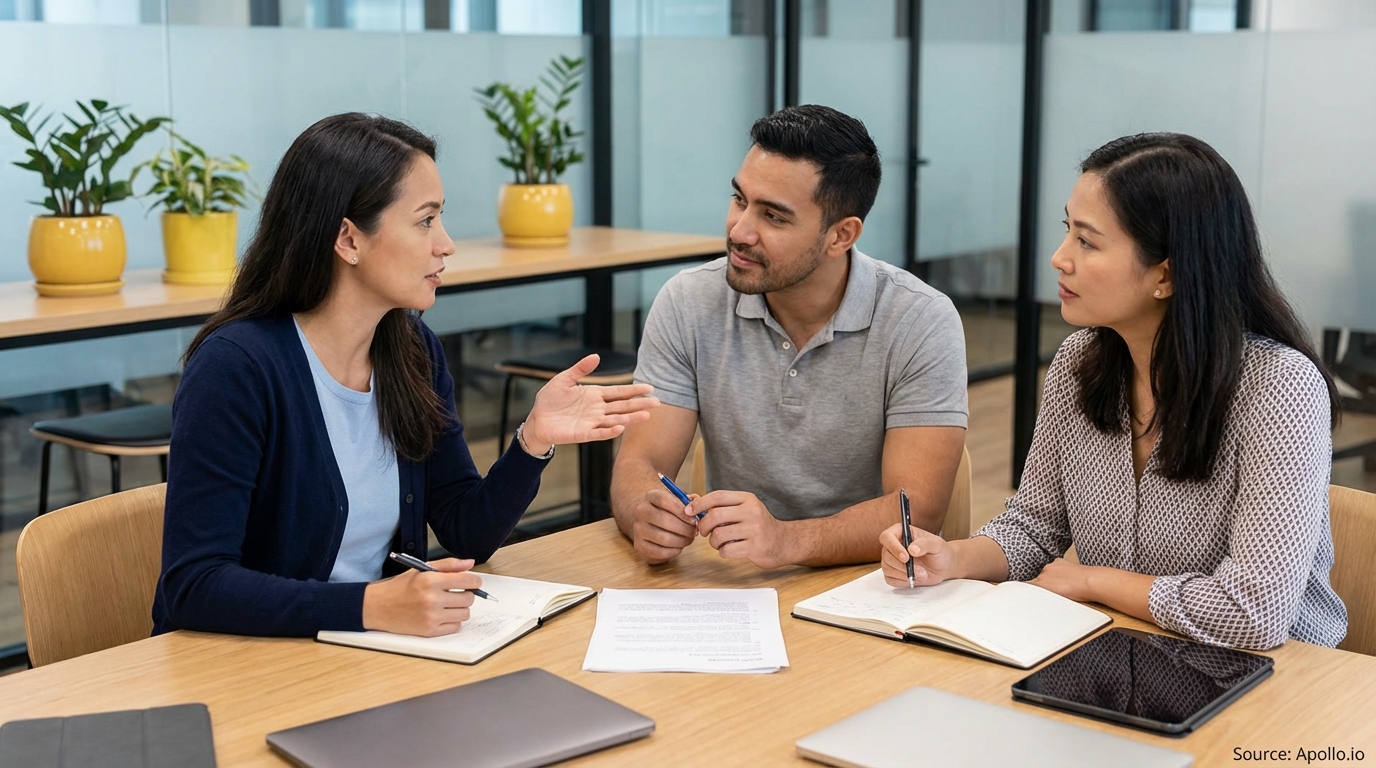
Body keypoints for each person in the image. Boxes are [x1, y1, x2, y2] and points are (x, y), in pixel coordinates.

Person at [154, 114, 658, 638]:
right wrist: (370, 607)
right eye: (425, 221)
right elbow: (194, 586)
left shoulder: (411, 350)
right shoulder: (235, 368)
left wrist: (533, 441)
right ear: (348, 239)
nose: (446, 244)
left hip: (365, 656)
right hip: (244, 664)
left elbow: (466, 533)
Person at [879, 132, 1347, 650]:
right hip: (1123, 650)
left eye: (1087, 241)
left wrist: (1090, 580)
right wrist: (953, 558)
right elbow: (1034, 528)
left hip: (1281, 676)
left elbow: (1254, 613)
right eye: (1067, 231)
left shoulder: (1280, 388)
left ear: (1165, 274)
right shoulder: (1079, 363)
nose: (1059, 258)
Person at [611, 105, 968, 570]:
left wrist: (785, 541)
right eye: (740, 200)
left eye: (774, 217)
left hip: (870, 590)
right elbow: (640, 463)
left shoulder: (920, 319)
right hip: (734, 586)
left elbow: (913, 510)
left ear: (841, 235)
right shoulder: (688, 300)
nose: (739, 231)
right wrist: (644, 508)